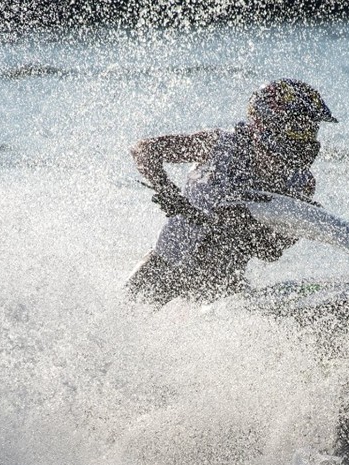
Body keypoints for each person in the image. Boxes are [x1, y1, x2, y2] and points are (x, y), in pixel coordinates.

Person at [126, 79, 337, 305]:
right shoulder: (221, 145)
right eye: (298, 129)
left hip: (223, 286)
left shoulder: (300, 182)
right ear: (265, 124)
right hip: (164, 269)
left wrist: (299, 224)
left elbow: (270, 252)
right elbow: (145, 150)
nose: (305, 139)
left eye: (311, 131)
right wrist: (169, 192)